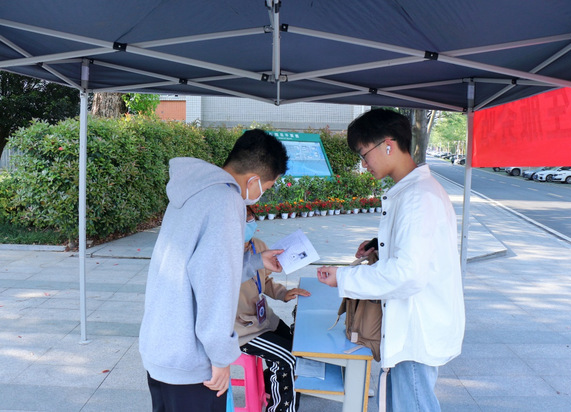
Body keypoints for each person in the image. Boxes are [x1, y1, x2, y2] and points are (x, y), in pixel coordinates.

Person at [316, 109, 465, 411]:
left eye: (364, 153)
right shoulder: (414, 191)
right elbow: (417, 249)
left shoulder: (417, 197)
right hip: (413, 324)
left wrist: (342, 277)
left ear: (387, 144)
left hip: (416, 329)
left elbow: (406, 273)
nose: (364, 163)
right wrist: (378, 247)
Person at [139, 129, 289, 412]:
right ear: (254, 180)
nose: (261, 196)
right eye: (266, 188)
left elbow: (198, 267)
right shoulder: (226, 201)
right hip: (190, 358)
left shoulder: (192, 190)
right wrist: (221, 358)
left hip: (162, 345)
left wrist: (256, 261)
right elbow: (214, 286)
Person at [235, 206, 310, 412]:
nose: (248, 223)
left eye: (250, 217)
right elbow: (225, 279)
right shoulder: (222, 252)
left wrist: (283, 293)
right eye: (242, 218)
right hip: (240, 330)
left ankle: (273, 383)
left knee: (298, 346)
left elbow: (265, 280)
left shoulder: (258, 246)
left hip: (263, 318)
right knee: (287, 358)